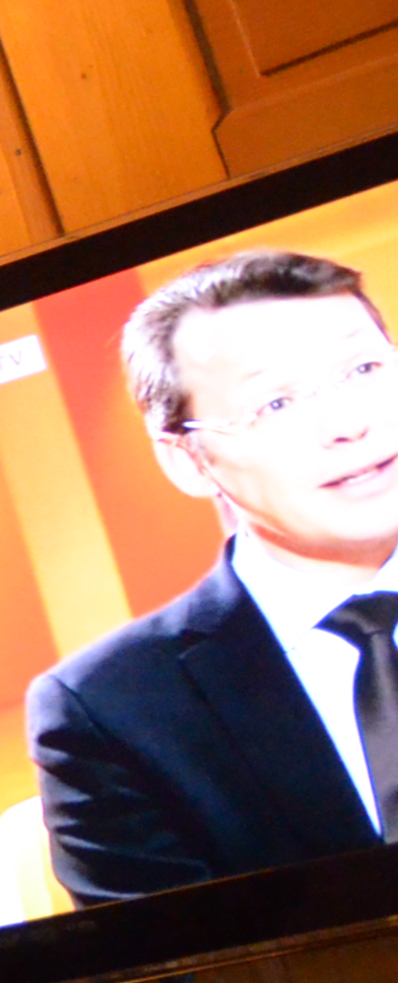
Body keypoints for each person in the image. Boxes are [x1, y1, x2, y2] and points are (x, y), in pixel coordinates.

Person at [36, 248, 398, 903]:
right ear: (190, 461)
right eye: (277, 403)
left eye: (364, 369)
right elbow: (184, 965)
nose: (351, 424)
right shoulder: (105, 711)